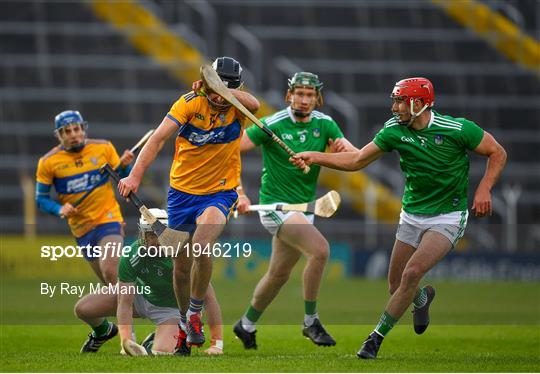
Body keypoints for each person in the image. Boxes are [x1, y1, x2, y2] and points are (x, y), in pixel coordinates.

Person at [290, 77, 507, 359]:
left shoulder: (457, 128)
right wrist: (315, 157)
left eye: (401, 101)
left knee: (413, 272)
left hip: (448, 216)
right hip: (412, 215)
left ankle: (374, 339)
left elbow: (497, 152)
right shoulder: (394, 130)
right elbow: (357, 160)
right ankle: (421, 299)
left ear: (420, 103)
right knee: (395, 285)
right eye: (395, 101)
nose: (395, 107)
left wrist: (484, 188)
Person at [117, 57, 260, 352]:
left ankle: (195, 312)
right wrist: (134, 176)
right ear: (206, 83)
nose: (220, 98)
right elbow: (156, 140)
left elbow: (256, 104)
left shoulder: (239, 106)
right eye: (215, 89)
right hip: (181, 195)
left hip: (220, 192)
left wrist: (225, 91)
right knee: (181, 268)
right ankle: (184, 321)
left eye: (228, 89)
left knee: (202, 244)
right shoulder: (189, 103)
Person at [233, 72, 357, 349]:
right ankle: (311, 321)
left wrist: (342, 151)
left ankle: (246, 324)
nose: (304, 99)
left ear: (318, 98)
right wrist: (239, 193)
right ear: (289, 95)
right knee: (321, 250)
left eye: (310, 95)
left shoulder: (325, 125)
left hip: (303, 209)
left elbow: (355, 156)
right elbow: (231, 152)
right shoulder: (271, 123)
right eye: (299, 94)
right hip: (275, 207)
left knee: (278, 275)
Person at [75, 209, 225, 356]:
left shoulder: (183, 255)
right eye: (150, 235)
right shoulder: (133, 254)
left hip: (171, 310)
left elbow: (209, 299)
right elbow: (124, 303)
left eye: (159, 235)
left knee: (162, 352)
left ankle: (155, 339)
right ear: (143, 235)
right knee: (83, 309)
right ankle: (104, 332)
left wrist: (216, 344)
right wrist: (127, 341)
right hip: (140, 297)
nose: (155, 241)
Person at [36, 110, 134, 284]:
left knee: (111, 271)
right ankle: (136, 306)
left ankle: (144, 304)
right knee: (110, 283)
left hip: (108, 218)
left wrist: (125, 167)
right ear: (59, 135)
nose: (73, 135)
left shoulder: (103, 147)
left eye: (76, 129)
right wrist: (59, 208)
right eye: (67, 131)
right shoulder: (48, 162)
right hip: (81, 228)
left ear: (83, 129)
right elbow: (41, 198)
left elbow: (123, 179)